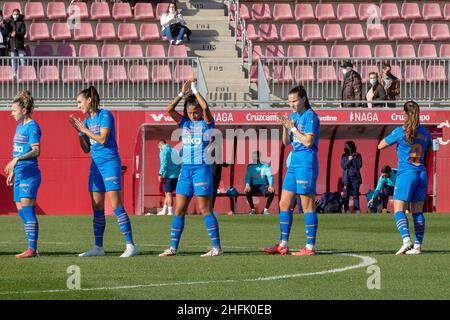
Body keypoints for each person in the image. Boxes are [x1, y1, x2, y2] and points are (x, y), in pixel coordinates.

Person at [69, 86, 139, 258]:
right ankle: (98, 247)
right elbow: (86, 148)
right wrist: (79, 132)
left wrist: (84, 130)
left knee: (116, 205)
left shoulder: (105, 115)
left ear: (89, 100)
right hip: (95, 166)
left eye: (79, 102)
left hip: (110, 163)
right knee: (97, 207)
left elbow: (102, 139)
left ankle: (131, 245)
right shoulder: (85, 122)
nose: (78, 106)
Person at [159, 79, 222, 257]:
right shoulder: (184, 123)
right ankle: (173, 248)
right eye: (190, 112)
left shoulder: (206, 123)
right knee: (179, 210)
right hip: (185, 171)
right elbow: (169, 110)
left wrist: (194, 90)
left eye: (196, 112)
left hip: (201, 168)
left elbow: (207, 108)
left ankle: (216, 247)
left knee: (205, 209)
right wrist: (181, 94)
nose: (193, 115)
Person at [263, 85, 320, 256]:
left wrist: (293, 127)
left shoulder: (311, 117)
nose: (291, 105)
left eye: (294, 101)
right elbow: (286, 142)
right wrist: (285, 126)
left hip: (306, 163)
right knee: (284, 204)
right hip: (294, 163)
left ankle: (309, 247)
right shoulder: (293, 116)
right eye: (289, 102)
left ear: (303, 99)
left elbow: (308, 142)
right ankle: (283, 244)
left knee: (306, 204)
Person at [378, 101, 432, 255]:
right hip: (421, 174)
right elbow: (428, 149)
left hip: (406, 174)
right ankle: (417, 246)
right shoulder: (425, 132)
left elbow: (380, 145)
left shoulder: (400, 131)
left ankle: (406, 240)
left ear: (404, 114)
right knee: (417, 212)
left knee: (398, 209)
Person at [4, 91, 41, 258]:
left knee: (28, 211)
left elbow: (36, 150)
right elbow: (17, 149)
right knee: (22, 212)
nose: (11, 113)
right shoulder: (19, 126)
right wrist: (13, 169)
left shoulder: (33, 127)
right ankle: (32, 247)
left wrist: (17, 160)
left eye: (14, 110)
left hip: (29, 174)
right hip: (19, 173)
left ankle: (32, 249)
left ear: (24, 110)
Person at [157, 140, 181, 216]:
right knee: (167, 193)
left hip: (168, 175)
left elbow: (164, 163)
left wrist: (160, 174)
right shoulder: (175, 150)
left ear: (160, 145)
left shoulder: (163, 151)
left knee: (168, 193)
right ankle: (164, 210)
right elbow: (179, 162)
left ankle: (170, 211)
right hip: (176, 175)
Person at [341, 141, 362, 213]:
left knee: (355, 195)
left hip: (355, 179)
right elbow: (343, 166)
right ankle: (346, 210)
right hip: (346, 179)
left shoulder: (358, 155)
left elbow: (359, 166)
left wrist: (353, 159)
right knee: (346, 195)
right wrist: (349, 160)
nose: (345, 148)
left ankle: (357, 210)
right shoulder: (344, 156)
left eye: (346, 146)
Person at [8, 9, 26, 78]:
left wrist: (16, 34)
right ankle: (14, 74)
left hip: (20, 44)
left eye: (17, 14)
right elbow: (7, 33)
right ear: (12, 14)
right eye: (14, 14)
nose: (15, 15)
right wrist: (11, 34)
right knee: (13, 60)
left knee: (22, 60)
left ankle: (23, 74)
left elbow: (23, 33)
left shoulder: (22, 22)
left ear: (19, 14)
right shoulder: (10, 22)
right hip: (12, 45)